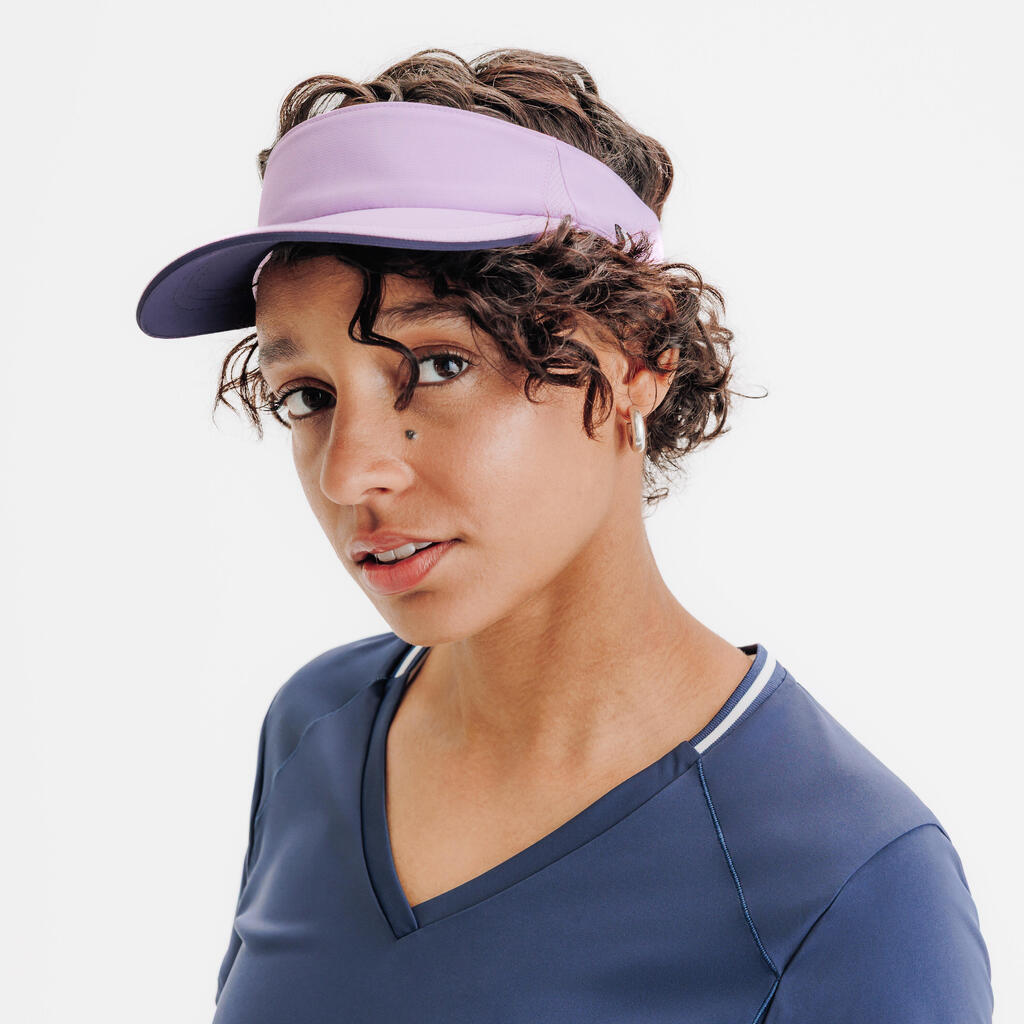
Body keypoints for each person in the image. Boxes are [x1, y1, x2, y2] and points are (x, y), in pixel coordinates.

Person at [136, 47, 994, 1024]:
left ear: (640, 355)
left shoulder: (852, 886)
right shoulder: (318, 727)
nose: (349, 473)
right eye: (308, 395)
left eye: (440, 364)